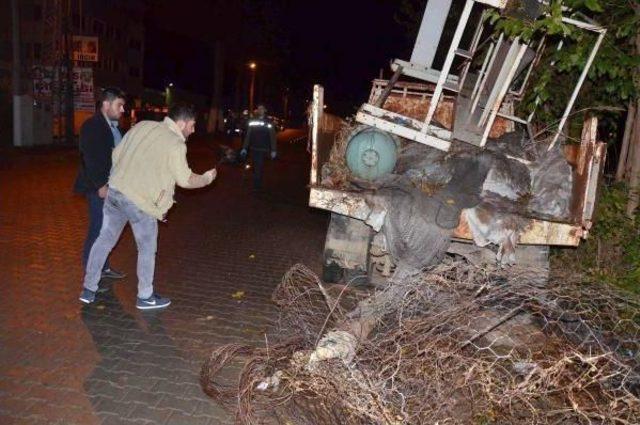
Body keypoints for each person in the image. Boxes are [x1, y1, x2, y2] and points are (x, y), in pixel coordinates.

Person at [79, 103, 217, 310]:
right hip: (141, 203)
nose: (193, 130)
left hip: (116, 192)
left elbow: (116, 154)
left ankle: (89, 289)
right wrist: (206, 178)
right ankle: (145, 296)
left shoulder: (143, 125)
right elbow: (185, 179)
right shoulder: (176, 144)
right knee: (146, 249)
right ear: (181, 123)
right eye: (192, 125)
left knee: (104, 239)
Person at [74, 87, 127, 282]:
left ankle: (102, 267)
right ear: (106, 104)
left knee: (107, 231)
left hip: (113, 188)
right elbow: (90, 158)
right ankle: (91, 275)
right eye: (119, 105)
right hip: (100, 189)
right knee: (97, 230)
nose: (122, 110)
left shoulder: (114, 128)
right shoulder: (92, 126)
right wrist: (100, 186)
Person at [240, 105, 277, 191]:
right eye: (259, 108)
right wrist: (244, 148)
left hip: (263, 149)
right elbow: (248, 135)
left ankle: (257, 185)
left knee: (258, 166)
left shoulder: (269, 122)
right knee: (255, 166)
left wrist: (273, 150)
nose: (260, 110)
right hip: (253, 148)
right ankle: (257, 182)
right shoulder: (252, 121)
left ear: (265, 110)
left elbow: (272, 136)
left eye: (262, 108)